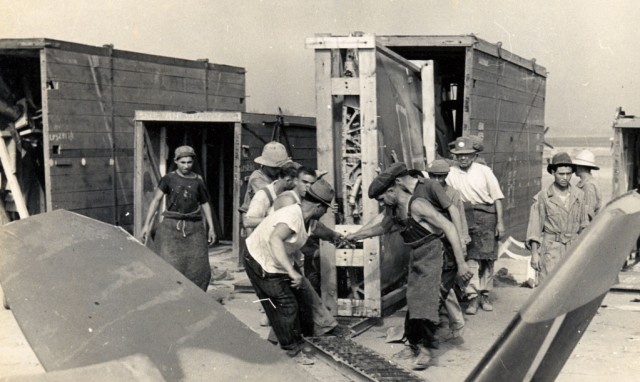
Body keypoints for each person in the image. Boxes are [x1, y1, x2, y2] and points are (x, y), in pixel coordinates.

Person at [345, 163, 472, 370]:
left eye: (382, 198)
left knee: (430, 302)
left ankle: (426, 350)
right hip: (419, 256)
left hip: (440, 257)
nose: (381, 202)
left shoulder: (418, 204)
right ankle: (415, 345)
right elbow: (381, 227)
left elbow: (448, 226)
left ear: (393, 190)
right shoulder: (394, 210)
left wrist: (462, 264)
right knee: (414, 301)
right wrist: (355, 236)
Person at [243, 179, 339, 360]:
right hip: (260, 260)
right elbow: (275, 240)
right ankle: (289, 350)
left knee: (298, 297)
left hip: (276, 259)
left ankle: (284, 341)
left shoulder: (307, 217)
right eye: (325, 209)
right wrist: (291, 270)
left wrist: (335, 237)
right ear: (318, 206)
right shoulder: (292, 217)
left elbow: (319, 229)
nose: (326, 212)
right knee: (286, 304)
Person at [140, 146, 215, 291]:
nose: (186, 166)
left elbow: (205, 203)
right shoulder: (168, 179)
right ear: (176, 161)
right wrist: (146, 225)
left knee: (198, 266)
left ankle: (196, 296)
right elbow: (156, 200)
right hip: (171, 227)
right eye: (182, 162)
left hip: (194, 227)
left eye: (189, 162)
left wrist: (211, 227)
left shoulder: (198, 180)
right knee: (169, 264)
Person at [445, 136, 505, 315]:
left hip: (487, 216)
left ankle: (485, 294)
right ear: (455, 156)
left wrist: (500, 223)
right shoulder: (451, 172)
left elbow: (497, 198)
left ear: (474, 155)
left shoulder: (484, 171)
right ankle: (472, 296)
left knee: (487, 258)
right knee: (470, 258)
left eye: (467, 155)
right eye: (459, 155)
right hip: (465, 216)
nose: (463, 158)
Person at [527, 152, 589, 284]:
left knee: (571, 287)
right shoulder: (543, 197)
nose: (565, 177)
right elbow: (534, 229)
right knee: (548, 288)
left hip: (573, 249)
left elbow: (584, 226)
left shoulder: (580, 195)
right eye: (561, 174)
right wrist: (534, 254)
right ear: (553, 173)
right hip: (551, 250)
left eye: (568, 174)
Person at [426, 159, 470, 340]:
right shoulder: (425, 192)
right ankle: (449, 322)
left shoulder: (452, 194)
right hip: (429, 243)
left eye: (442, 176)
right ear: (429, 176)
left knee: (444, 284)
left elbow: (459, 218)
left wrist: (461, 241)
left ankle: (456, 323)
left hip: (448, 244)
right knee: (440, 284)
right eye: (434, 176)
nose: (438, 180)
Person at [242, 164, 298, 236]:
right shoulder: (263, 194)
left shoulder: (284, 193)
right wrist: (275, 219)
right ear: (288, 181)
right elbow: (247, 222)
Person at [239, 141, 292, 218]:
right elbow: (270, 195)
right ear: (265, 164)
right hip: (254, 217)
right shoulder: (257, 177)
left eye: (279, 168)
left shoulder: (276, 175)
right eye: (274, 168)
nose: (277, 170)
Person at [573, 149, 602, 221]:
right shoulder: (585, 183)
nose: (574, 168)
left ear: (581, 167)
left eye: (576, 166)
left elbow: (588, 213)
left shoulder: (588, 186)